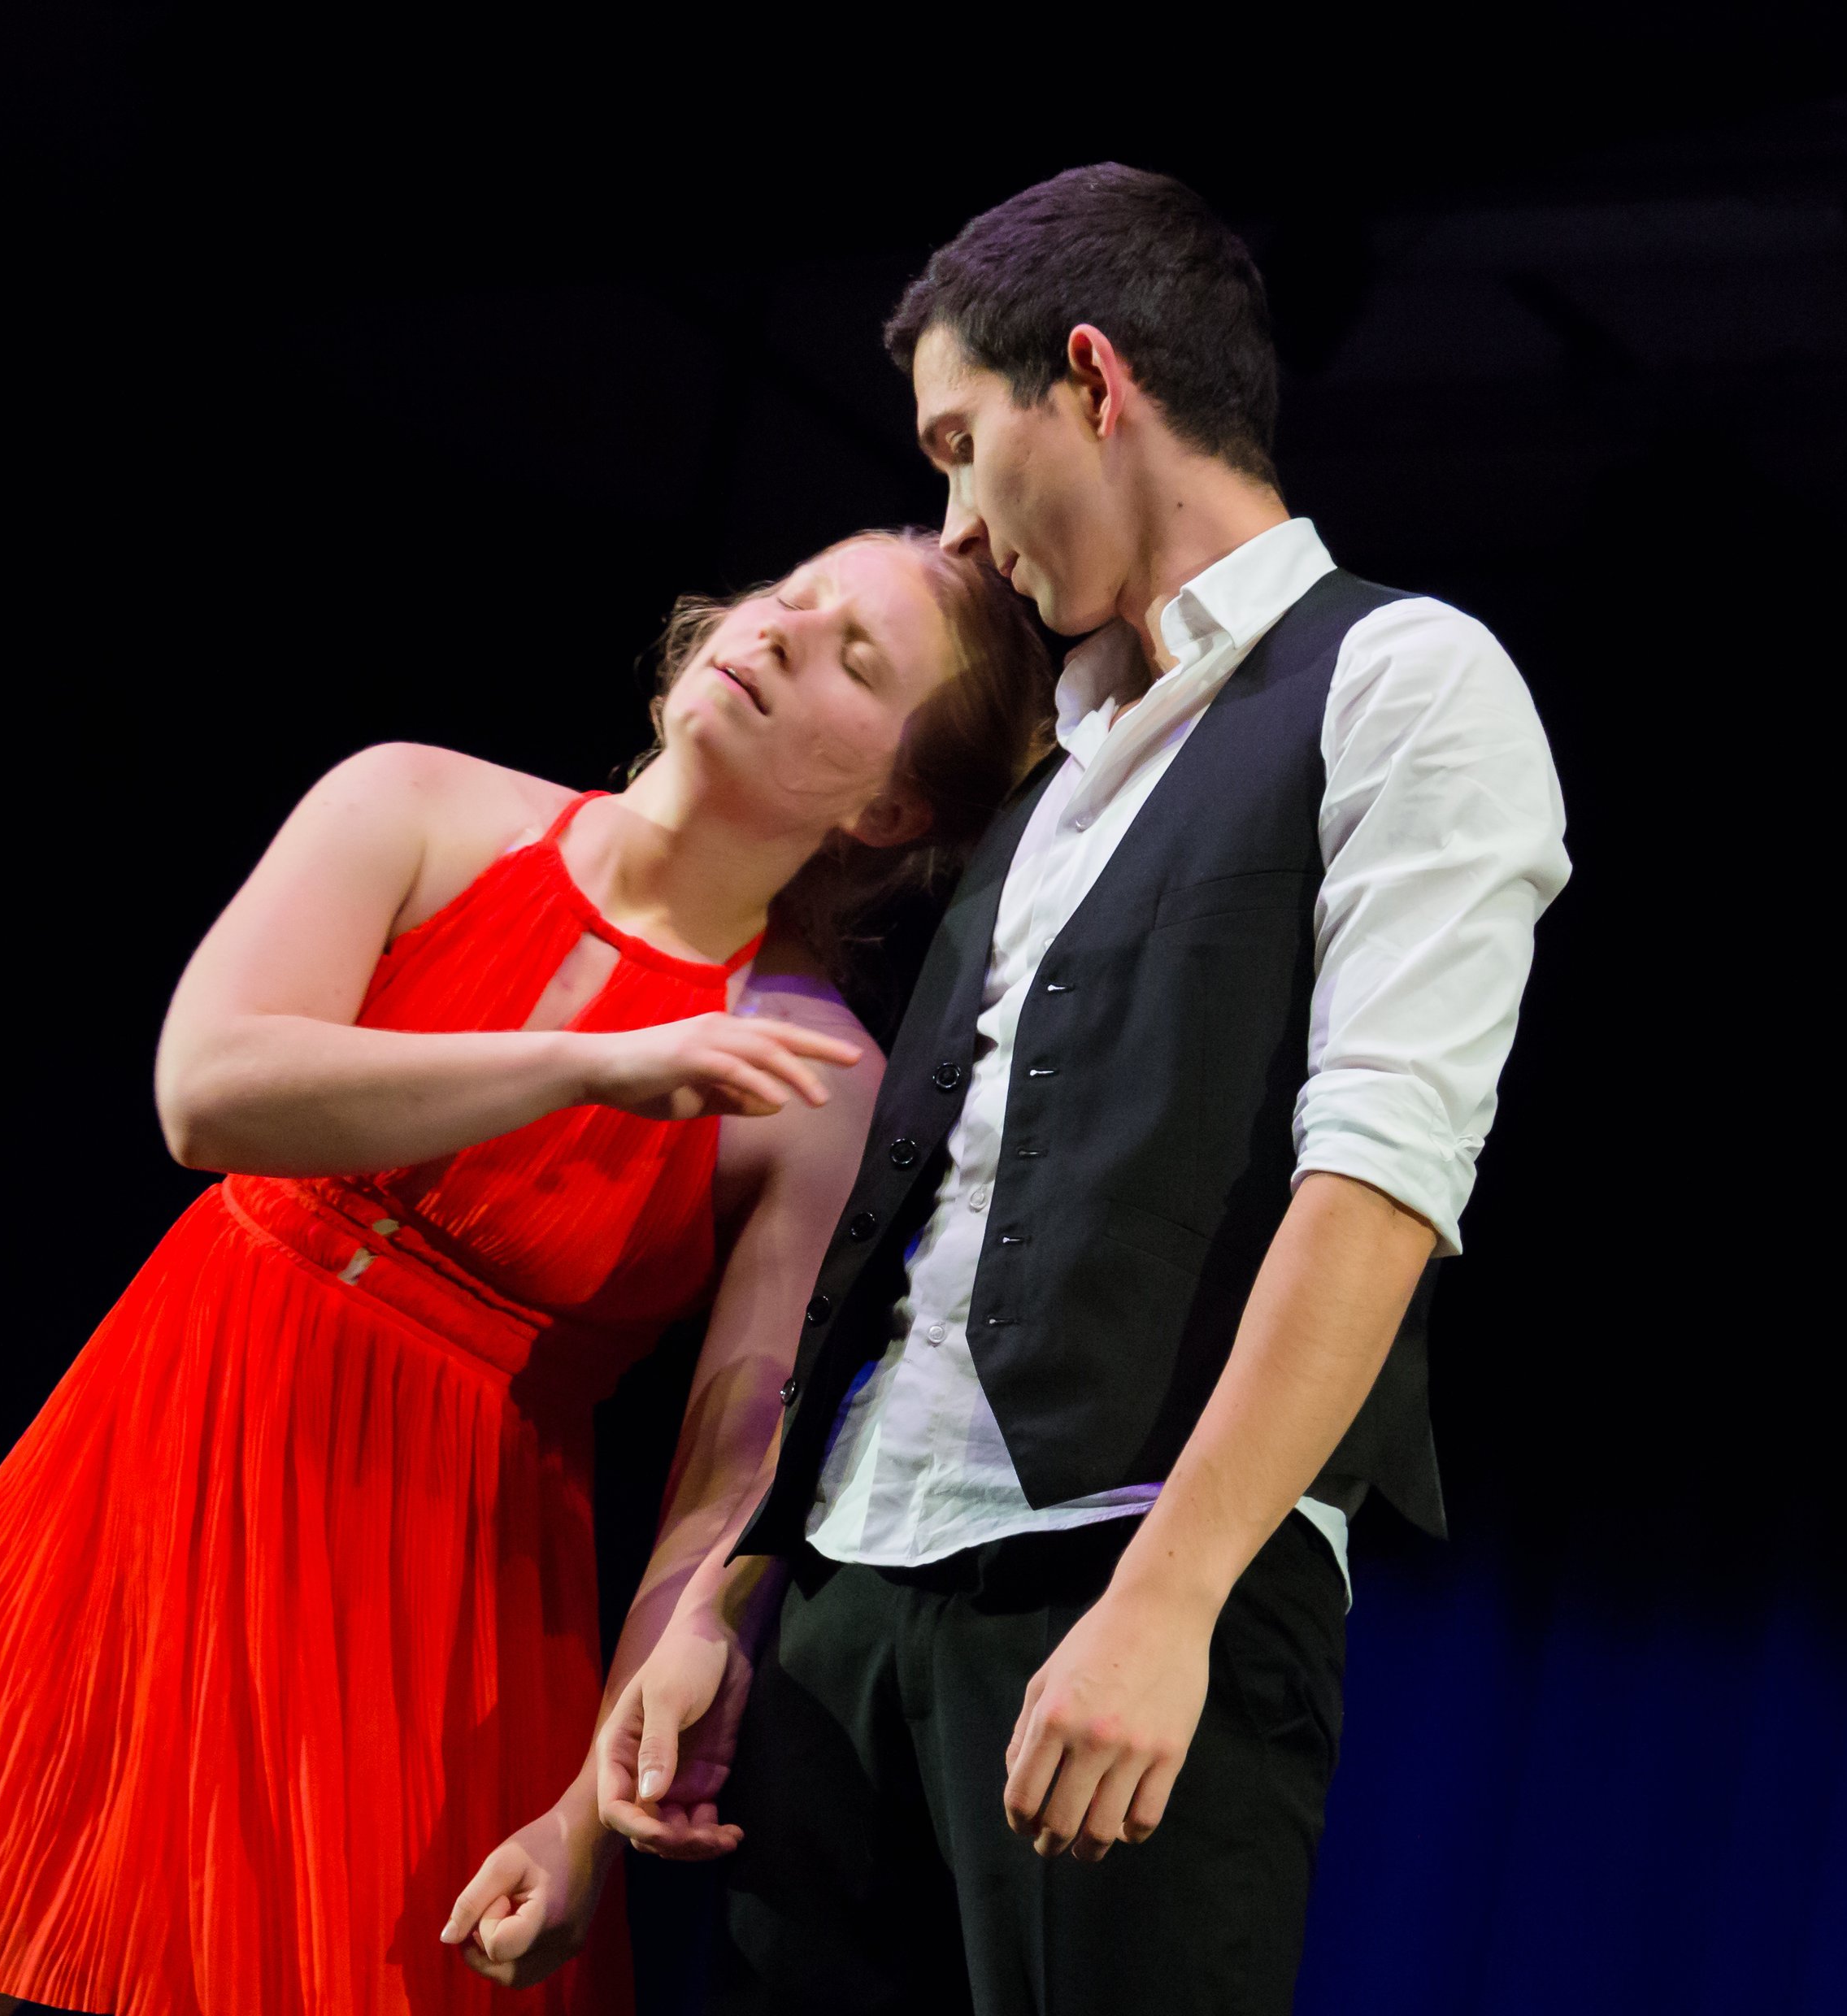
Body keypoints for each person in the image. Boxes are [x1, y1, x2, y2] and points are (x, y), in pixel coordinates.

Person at [0, 528, 1052, 2016]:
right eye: (792, 596)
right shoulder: (415, 803)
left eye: (856, 656)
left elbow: (730, 1468)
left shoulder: (811, 1081)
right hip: (141, 1481)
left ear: (888, 806)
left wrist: (585, 1813)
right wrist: (588, 1066)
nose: (785, 632)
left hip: (416, 1611)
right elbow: (208, 1092)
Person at [596, 164, 1574, 2013]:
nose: (960, 529)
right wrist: (735, 1590)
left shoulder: (1400, 678)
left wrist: (1171, 1595)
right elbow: (918, 1222)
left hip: (1119, 1577)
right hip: (852, 1596)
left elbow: (1379, 1184)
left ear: (1096, 380)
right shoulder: (1055, 764)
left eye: (963, 447)